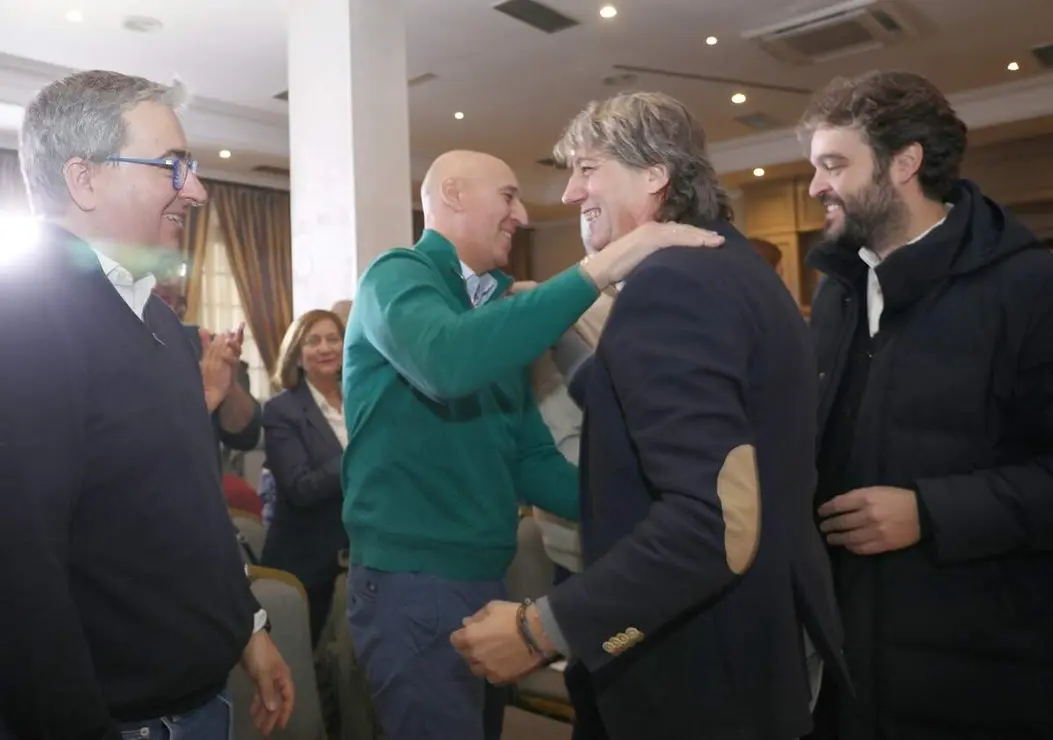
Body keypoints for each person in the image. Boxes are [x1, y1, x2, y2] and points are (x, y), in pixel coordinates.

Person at [451, 91, 848, 740]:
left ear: (655, 173)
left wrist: (542, 627)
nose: (571, 194)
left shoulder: (672, 285)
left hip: (691, 672)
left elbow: (713, 520)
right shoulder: (740, 271)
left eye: (587, 168)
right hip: (755, 647)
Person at [340, 148, 723, 740]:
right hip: (411, 583)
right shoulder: (395, 276)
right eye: (509, 196)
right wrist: (605, 264)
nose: (521, 215)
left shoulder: (492, 310)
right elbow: (447, 362)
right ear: (454, 196)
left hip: (488, 581)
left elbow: (531, 460)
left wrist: (656, 516)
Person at [0, 70, 294, 740]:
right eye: (173, 166)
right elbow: (19, 577)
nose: (196, 189)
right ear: (85, 179)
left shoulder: (159, 327)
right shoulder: (20, 320)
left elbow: (188, 508)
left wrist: (245, 627)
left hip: (198, 701)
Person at [797, 70, 1053, 740]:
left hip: (979, 674)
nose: (815, 187)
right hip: (846, 663)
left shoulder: (1028, 289)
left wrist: (930, 512)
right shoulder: (836, 290)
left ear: (904, 162)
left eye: (832, 165)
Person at [261, 309, 349, 647]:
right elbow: (301, 487)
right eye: (313, 341)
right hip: (305, 564)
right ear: (298, 354)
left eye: (333, 339)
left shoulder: (360, 400)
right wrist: (358, 456)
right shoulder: (281, 411)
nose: (325, 348)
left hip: (360, 561)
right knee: (306, 678)